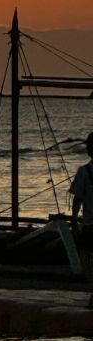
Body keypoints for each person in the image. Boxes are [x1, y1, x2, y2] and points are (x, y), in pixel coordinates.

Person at [68, 131, 93, 306]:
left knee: (86, 258)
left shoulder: (84, 171)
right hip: (90, 224)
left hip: (90, 224)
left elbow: (77, 198)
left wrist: (74, 219)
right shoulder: (84, 171)